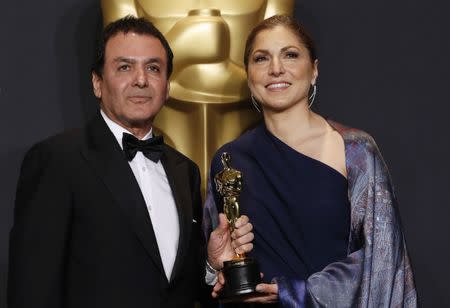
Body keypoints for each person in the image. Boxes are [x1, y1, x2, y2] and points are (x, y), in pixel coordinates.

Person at [8, 16, 252, 308]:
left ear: (166, 86)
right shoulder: (57, 159)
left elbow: (177, 285)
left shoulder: (184, 170)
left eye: (153, 68)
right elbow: (33, 288)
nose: (140, 79)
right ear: (97, 83)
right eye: (125, 67)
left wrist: (211, 264)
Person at [203, 15, 418, 307]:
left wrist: (297, 292)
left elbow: (382, 262)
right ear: (248, 74)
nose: (276, 69)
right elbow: (215, 279)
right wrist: (216, 268)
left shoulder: (354, 151)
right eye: (261, 58)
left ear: (314, 70)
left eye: (290, 55)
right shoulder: (229, 161)